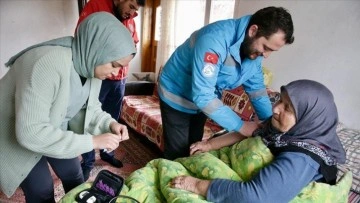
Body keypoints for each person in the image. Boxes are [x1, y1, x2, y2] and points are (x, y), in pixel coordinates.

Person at [0, 12, 136, 202]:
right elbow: (30, 132)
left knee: (74, 174)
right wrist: (93, 142)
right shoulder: (46, 64)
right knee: (42, 189)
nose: (115, 73)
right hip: (13, 131)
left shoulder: (90, 66)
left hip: (49, 127)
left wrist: (111, 124)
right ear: (97, 49)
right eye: (114, 64)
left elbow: (90, 108)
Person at [170, 79, 346, 202]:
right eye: (280, 100)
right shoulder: (283, 129)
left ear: (309, 119)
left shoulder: (302, 159)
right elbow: (249, 131)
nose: (275, 108)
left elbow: (254, 197)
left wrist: (197, 185)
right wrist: (208, 144)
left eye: (287, 108)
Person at [158, 6, 295, 160]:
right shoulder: (214, 40)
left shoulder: (254, 53)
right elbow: (203, 95)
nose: (266, 55)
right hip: (176, 94)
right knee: (177, 153)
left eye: (272, 51)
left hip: (202, 103)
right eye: (265, 47)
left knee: (193, 147)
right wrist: (242, 126)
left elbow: (257, 90)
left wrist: (270, 122)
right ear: (253, 31)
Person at [76, 0, 145, 180]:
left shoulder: (130, 19)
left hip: (120, 79)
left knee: (111, 118)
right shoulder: (96, 5)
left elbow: (133, 44)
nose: (132, 13)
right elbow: (83, 39)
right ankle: (88, 161)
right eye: (131, 7)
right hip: (99, 77)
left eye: (135, 11)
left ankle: (108, 153)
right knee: (89, 117)